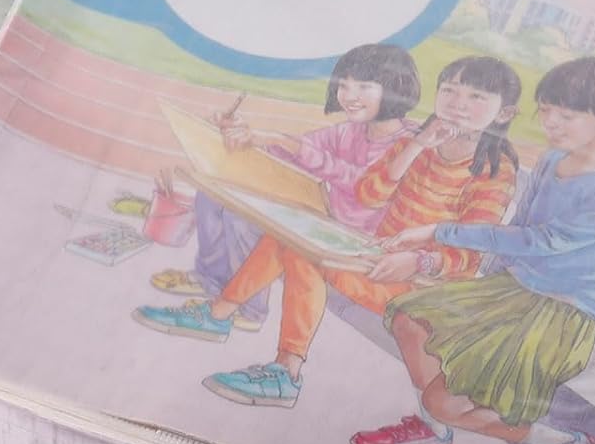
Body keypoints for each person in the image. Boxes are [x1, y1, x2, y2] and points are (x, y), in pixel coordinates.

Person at [352, 56, 595, 444]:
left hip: (562, 311)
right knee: (410, 317)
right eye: (546, 111)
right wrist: (473, 284)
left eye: (566, 115)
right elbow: (519, 227)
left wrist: (440, 232)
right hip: (510, 289)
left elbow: (544, 241)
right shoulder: (552, 161)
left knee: (443, 400)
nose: (551, 123)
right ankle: (434, 434)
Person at [133, 56, 522, 411]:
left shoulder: (495, 171)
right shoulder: (414, 142)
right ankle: (231, 324)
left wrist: (418, 261)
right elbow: (369, 195)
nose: (457, 103)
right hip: (378, 257)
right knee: (292, 237)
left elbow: (471, 252)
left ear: (504, 112)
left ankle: (280, 367)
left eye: (476, 97)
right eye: (450, 90)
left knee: (303, 253)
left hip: (423, 285)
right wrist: (416, 147)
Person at [147, 45, 423, 331]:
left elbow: (363, 185)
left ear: (395, 87)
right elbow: (295, 151)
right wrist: (243, 134)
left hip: (363, 244)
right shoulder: (350, 131)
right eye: (344, 85)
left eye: (363, 86)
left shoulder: (412, 144)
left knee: (249, 219)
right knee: (214, 195)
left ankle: (247, 309)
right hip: (332, 227)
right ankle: (211, 281)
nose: (350, 96)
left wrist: (280, 142)